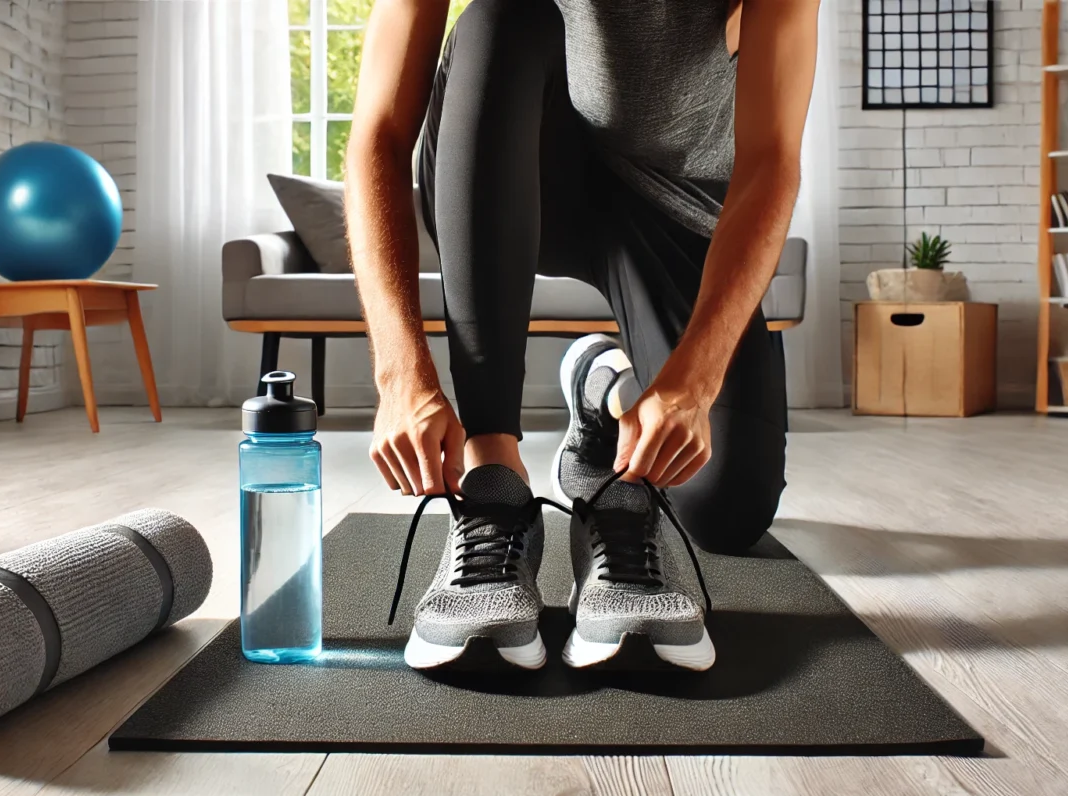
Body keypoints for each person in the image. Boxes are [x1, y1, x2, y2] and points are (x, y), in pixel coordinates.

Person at [346, 0, 819, 671]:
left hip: (672, 203)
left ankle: (606, 393)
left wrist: (692, 383)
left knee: (728, 510)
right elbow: (380, 135)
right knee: (503, 16)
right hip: (528, 162)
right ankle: (494, 482)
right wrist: (400, 377)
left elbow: (771, 159)